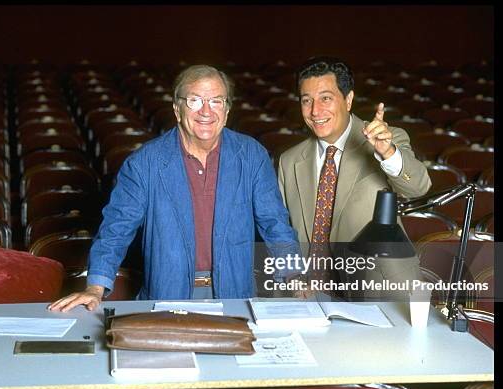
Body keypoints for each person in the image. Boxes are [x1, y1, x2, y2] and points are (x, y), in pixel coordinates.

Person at [49, 64, 300, 312]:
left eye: (216, 101)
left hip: (236, 296)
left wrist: (294, 274)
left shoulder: (252, 155)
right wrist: (95, 286)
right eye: (194, 100)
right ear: (177, 109)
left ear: (226, 111)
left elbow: (274, 222)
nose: (206, 111)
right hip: (167, 296)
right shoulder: (144, 163)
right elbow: (116, 230)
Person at [277, 56, 431, 300]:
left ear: (348, 100)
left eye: (326, 98)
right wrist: (292, 277)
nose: (316, 111)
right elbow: (281, 231)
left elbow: (419, 187)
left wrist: (387, 152)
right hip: (308, 295)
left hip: (377, 289)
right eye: (307, 101)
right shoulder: (289, 161)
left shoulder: (386, 140)